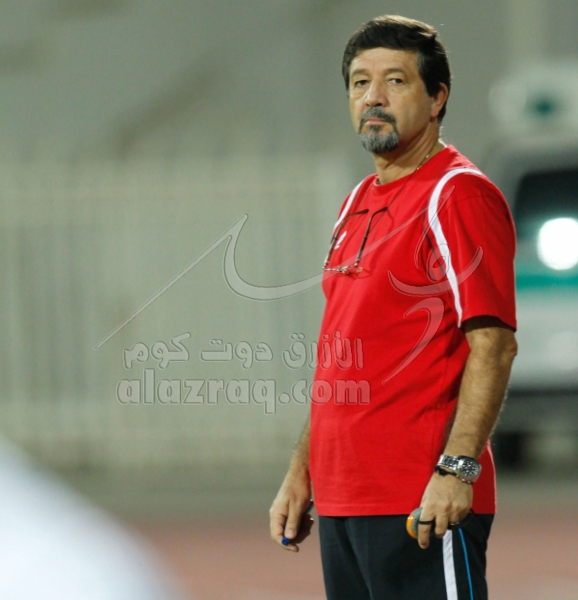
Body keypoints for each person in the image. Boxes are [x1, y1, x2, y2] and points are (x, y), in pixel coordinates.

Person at [269, 14, 518, 600]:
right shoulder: (358, 200)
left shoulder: (457, 195)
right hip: (345, 500)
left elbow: (493, 343)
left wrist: (457, 470)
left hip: (419, 498)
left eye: (395, 81)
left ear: (437, 98)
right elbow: (343, 355)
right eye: (360, 82)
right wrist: (303, 470)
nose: (373, 97)